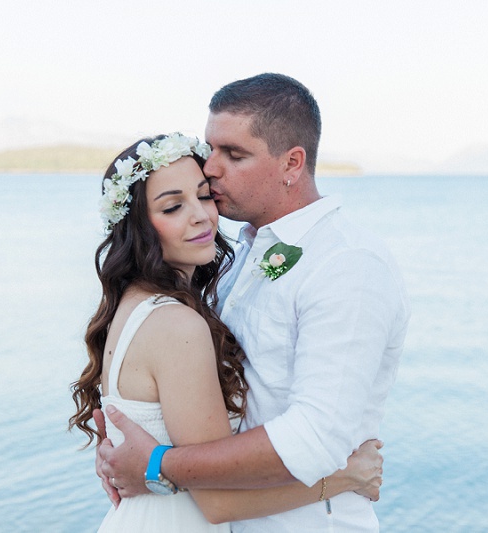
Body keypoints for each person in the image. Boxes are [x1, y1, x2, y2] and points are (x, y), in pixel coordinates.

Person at [97, 74, 410, 532]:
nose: (210, 169)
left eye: (234, 155)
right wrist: (125, 449)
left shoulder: (348, 265)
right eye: (211, 150)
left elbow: (315, 437)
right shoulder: (240, 254)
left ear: (292, 163)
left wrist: (157, 465)